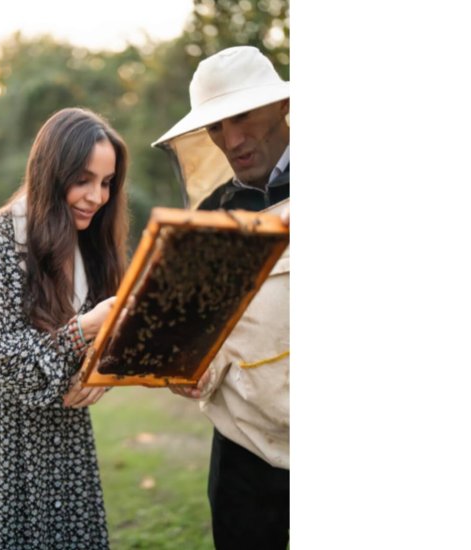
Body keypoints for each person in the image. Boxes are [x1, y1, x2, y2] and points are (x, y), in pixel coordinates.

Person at [0, 107, 130, 549]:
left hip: (65, 433)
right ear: (52, 173)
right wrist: (83, 329)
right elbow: (2, 358)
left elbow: (111, 342)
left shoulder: (90, 243)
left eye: (106, 183)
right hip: (3, 436)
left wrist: (98, 374)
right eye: (83, 180)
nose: (97, 196)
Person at [152, 46, 290, 549]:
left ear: (282, 106)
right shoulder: (211, 213)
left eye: (243, 116)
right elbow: (195, 329)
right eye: (216, 127)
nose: (231, 141)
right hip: (241, 451)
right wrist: (189, 367)